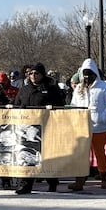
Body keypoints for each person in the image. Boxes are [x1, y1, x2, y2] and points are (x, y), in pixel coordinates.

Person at [11, 62, 63, 195]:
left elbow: (60, 106)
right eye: (31, 73)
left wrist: (51, 108)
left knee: (46, 156)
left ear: (42, 74)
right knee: (27, 156)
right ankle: (25, 184)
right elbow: (17, 104)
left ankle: (52, 181)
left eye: (36, 73)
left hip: (46, 128)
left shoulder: (51, 88)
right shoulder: (25, 89)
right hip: (27, 129)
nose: (33, 76)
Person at [66, 58, 106, 191]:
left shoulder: (104, 87)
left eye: (90, 73)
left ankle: (105, 178)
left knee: (99, 152)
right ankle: (80, 180)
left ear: (95, 73)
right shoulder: (78, 88)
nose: (87, 77)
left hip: (99, 127)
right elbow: (73, 104)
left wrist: (102, 118)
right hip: (82, 126)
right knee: (82, 154)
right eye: (85, 74)